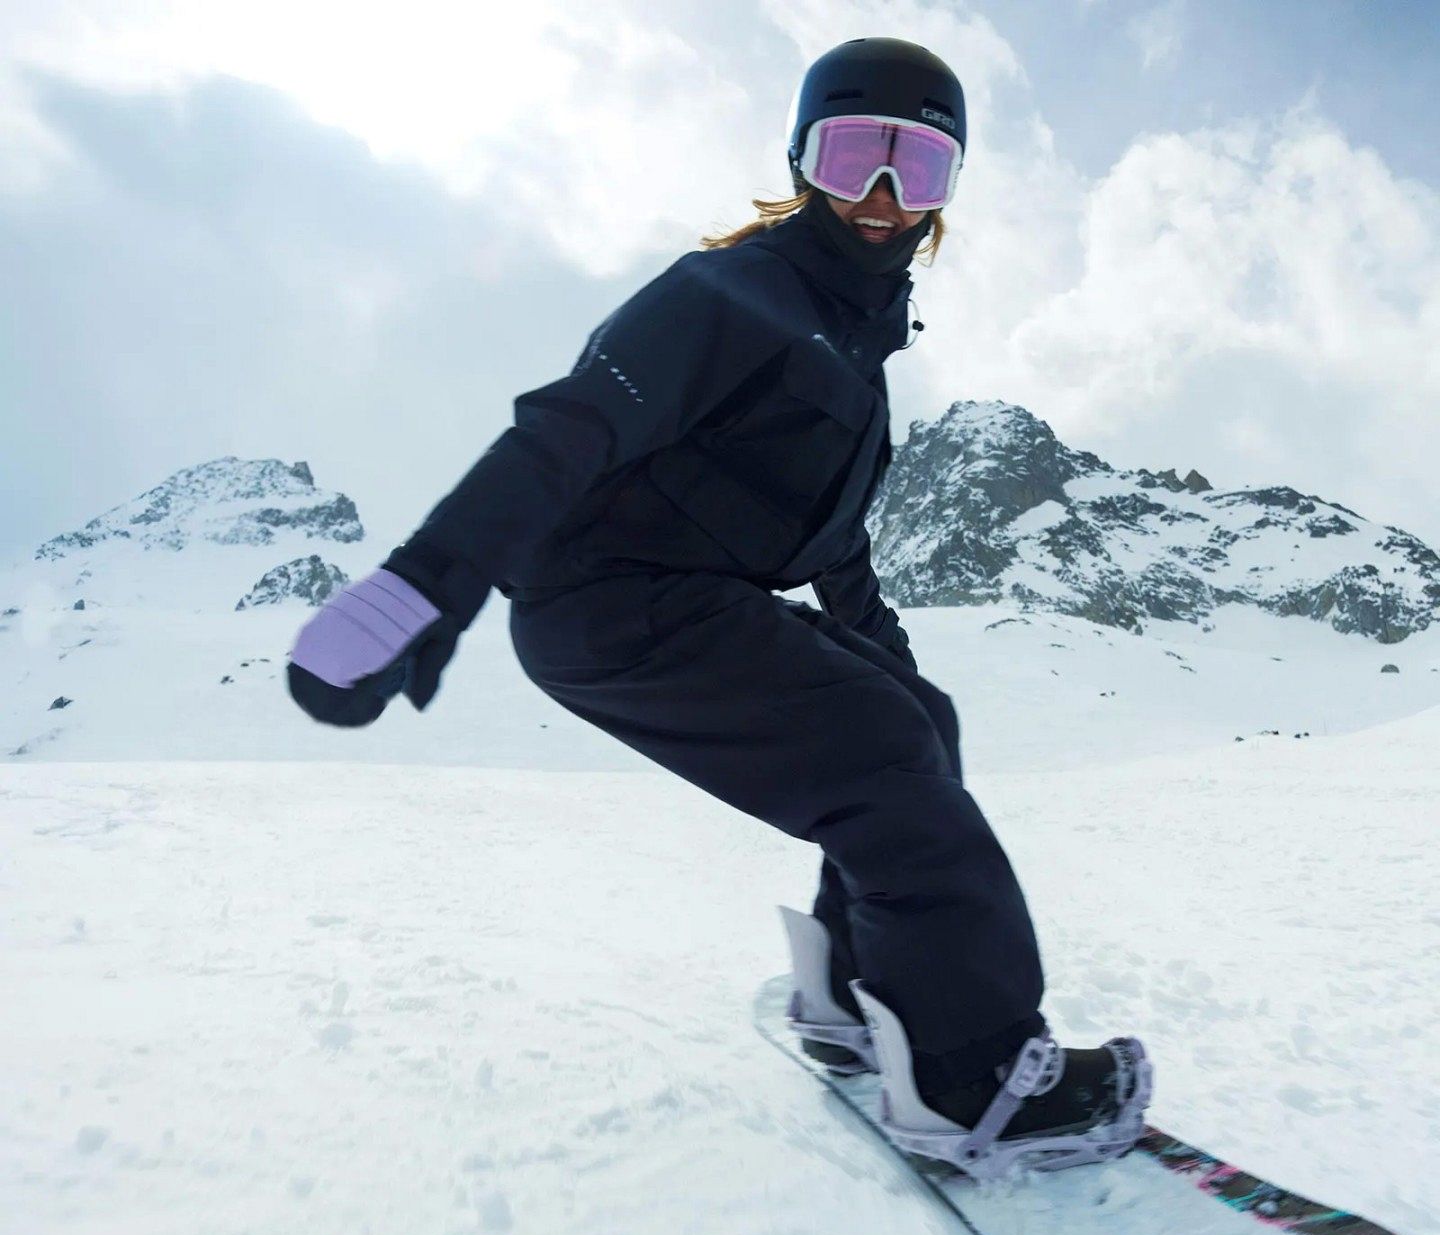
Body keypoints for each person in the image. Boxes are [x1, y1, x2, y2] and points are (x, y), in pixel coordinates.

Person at [287, 37, 1151, 1177]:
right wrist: (421, 585)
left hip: (682, 598)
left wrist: (899, 678)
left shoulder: (856, 358)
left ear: (948, 192)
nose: (882, 196)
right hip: (607, 599)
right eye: (855, 156)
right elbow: (569, 430)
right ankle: (969, 1080)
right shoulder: (729, 292)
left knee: (916, 723)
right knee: (883, 755)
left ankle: (855, 999)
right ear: (801, 163)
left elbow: (839, 550)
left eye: (918, 168)